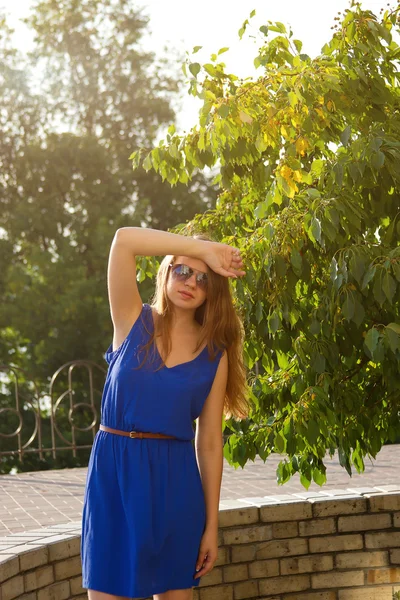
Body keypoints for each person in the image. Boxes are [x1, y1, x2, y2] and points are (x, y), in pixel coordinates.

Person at [80, 226, 249, 600]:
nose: (191, 281)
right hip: (115, 478)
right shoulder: (130, 320)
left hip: (176, 486)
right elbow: (123, 240)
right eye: (182, 270)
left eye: (203, 278)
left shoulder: (213, 354)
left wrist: (211, 527)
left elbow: (208, 443)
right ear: (167, 270)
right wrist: (203, 250)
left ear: (213, 292)